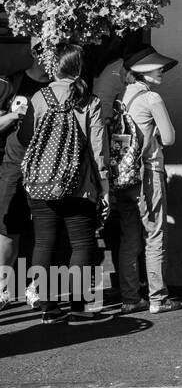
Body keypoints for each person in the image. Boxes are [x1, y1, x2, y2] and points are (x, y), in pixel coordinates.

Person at [21, 44, 108, 324]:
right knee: (81, 243)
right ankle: (79, 307)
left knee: (44, 242)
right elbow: (98, 148)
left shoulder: (39, 97)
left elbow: (26, 139)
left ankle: (47, 308)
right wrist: (103, 184)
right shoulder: (89, 101)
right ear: (80, 68)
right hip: (78, 183)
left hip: (42, 182)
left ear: (53, 67)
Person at [116, 48, 180, 315]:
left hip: (124, 175)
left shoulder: (123, 97)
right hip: (148, 172)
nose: (161, 71)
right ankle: (158, 297)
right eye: (156, 68)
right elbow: (169, 138)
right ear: (142, 71)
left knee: (129, 237)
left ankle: (131, 298)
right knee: (155, 234)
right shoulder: (151, 97)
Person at [0, 40, 50, 308]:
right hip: (14, 164)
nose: (48, 59)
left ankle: (37, 286)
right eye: (44, 53)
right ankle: (2, 288)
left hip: (48, 167)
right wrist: (12, 116)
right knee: (9, 228)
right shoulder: (13, 84)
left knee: (45, 228)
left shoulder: (59, 86)